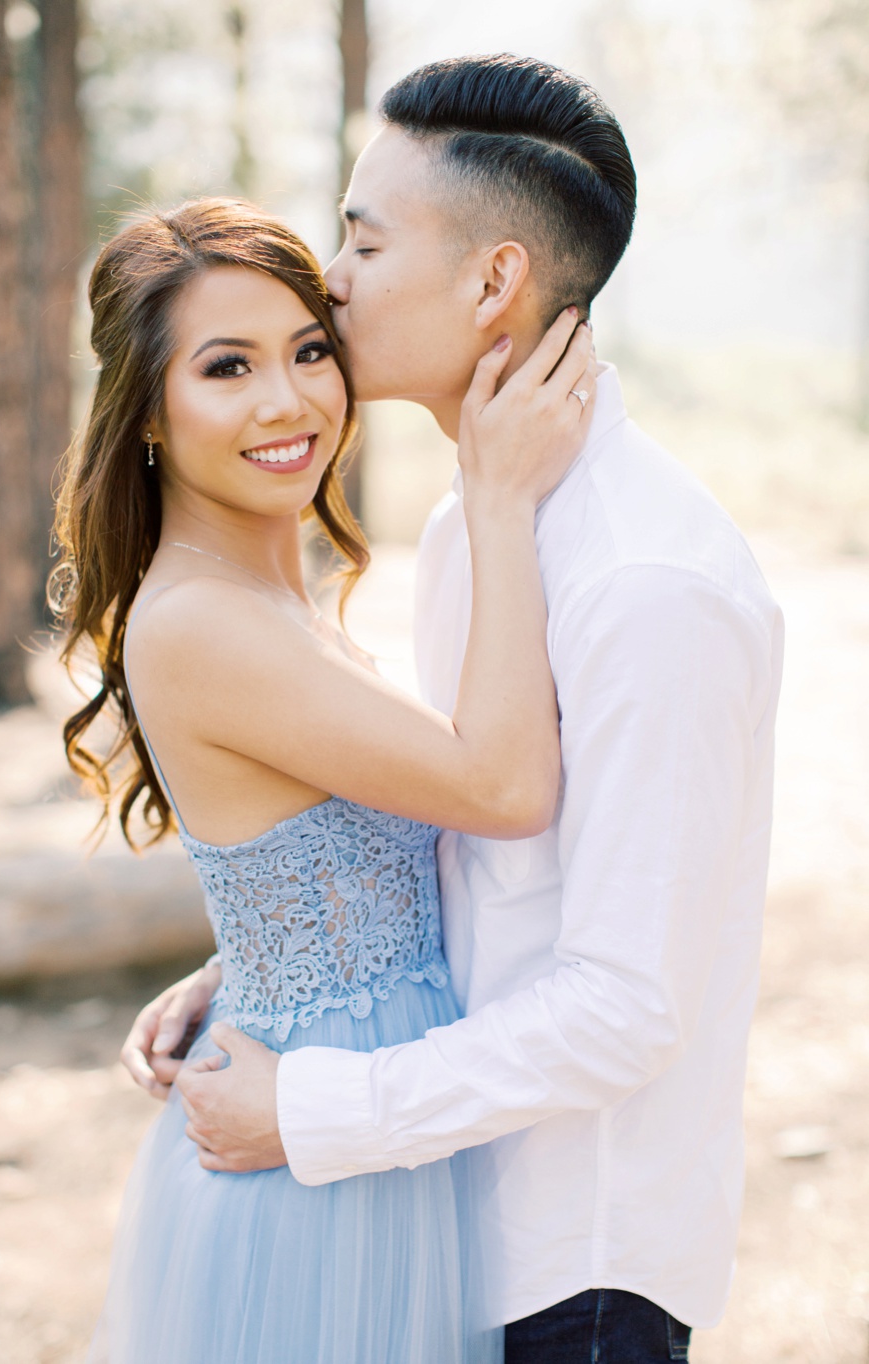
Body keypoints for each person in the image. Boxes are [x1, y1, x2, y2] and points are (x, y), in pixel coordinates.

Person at [116, 55, 783, 1362]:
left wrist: (312, 1108)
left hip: (574, 1266)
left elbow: (624, 1005)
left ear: (492, 283)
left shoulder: (648, 584)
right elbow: (478, 850)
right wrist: (266, 952)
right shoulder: (481, 526)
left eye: (363, 244)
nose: (333, 280)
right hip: (445, 1208)